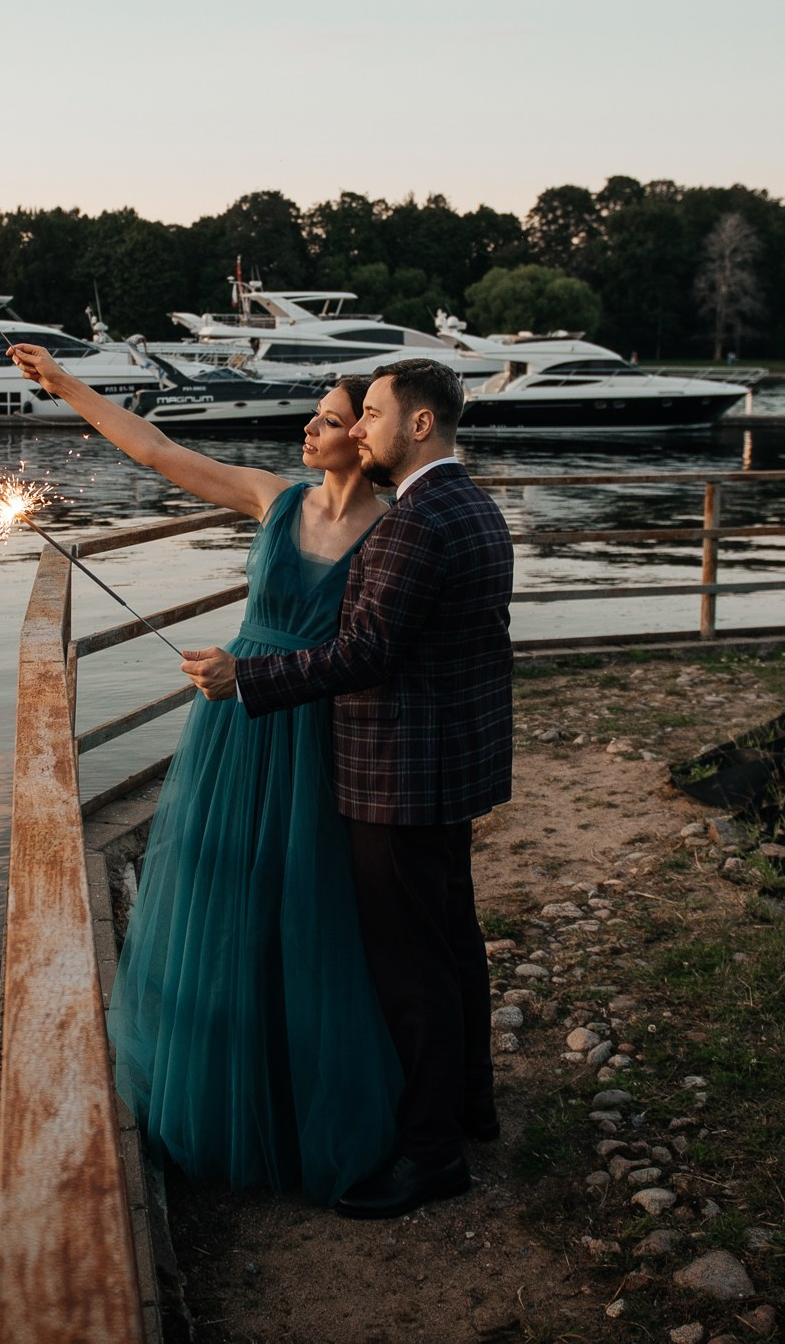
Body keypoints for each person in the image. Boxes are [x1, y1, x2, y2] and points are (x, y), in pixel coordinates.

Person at [5, 342, 403, 1204]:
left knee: (304, 912)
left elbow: (380, 650)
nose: (310, 427)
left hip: (309, 729)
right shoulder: (276, 497)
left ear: (362, 444)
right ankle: (220, 1093)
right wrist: (64, 382)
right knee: (218, 898)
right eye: (320, 415)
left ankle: (298, 1107)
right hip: (230, 724)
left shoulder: (392, 530)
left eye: (330, 420)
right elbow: (157, 450)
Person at [180, 357, 514, 1220]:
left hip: (396, 779)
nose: (358, 429)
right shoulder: (474, 507)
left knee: (411, 973)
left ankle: (431, 1155)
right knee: (452, 948)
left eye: (369, 413)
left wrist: (250, 681)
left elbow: (364, 653)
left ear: (420, 425)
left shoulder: (411, 524)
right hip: (451, 770)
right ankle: (471, 1109)